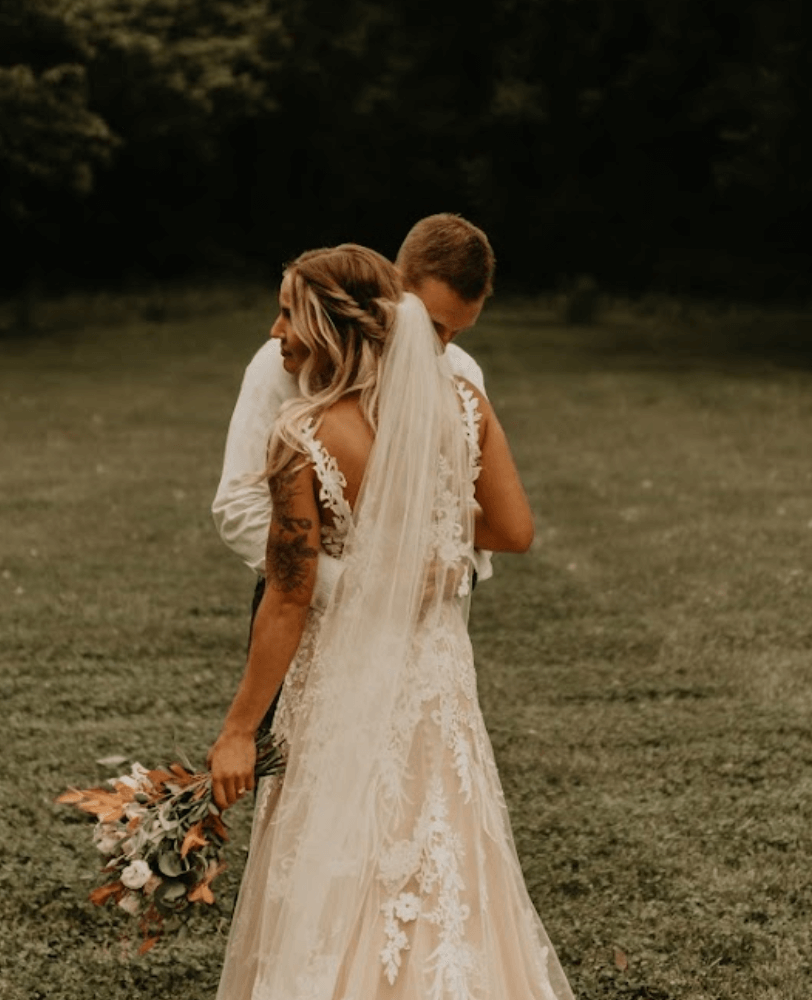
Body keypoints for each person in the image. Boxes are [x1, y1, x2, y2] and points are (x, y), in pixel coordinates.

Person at [206, 244, 575, 999]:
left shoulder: (301, 434)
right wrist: (422, 554)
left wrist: (240, 728)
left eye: (288, 314)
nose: (276, 331)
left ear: (330, 327)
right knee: (443, 846)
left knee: (334, 851)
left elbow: (288, 596)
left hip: (341, 669)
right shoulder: (464, 405)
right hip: (437, 673)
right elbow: (513, 529)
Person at [212, 214, 496, 631]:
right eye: (433, 325)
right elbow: (239, 505)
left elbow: (473, 503)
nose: (441, 346)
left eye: (459, 331)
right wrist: (350, 587)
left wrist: (458, 567)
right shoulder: (282, 364)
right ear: (394, 286)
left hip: (417, 626)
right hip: (303, 612)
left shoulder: (460, 372)